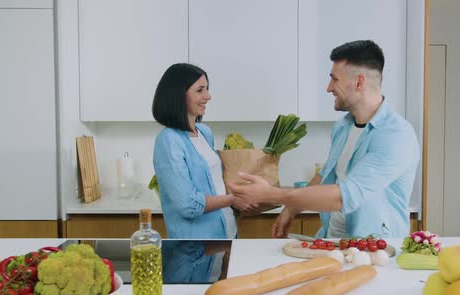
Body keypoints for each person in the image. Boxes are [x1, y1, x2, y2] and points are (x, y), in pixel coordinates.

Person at [229, 40, 420, 239]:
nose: (329, 88)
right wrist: (292, 208)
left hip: (375, 251)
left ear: (359, 82)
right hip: (334, 241)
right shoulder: (343, 127)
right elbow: (325, 175)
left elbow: (344, 196)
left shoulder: (395, 136)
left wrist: (270, 194)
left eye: (334, 79)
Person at [152, 63, 256, 239]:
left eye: (207, 89)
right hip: (195, 245)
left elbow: (215, 184)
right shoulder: (169, 140)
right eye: (200, 90)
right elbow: (187, 204)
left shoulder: (204, 132)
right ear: (178, 94)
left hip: (227, 232)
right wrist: (232, 199)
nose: (208, 96)